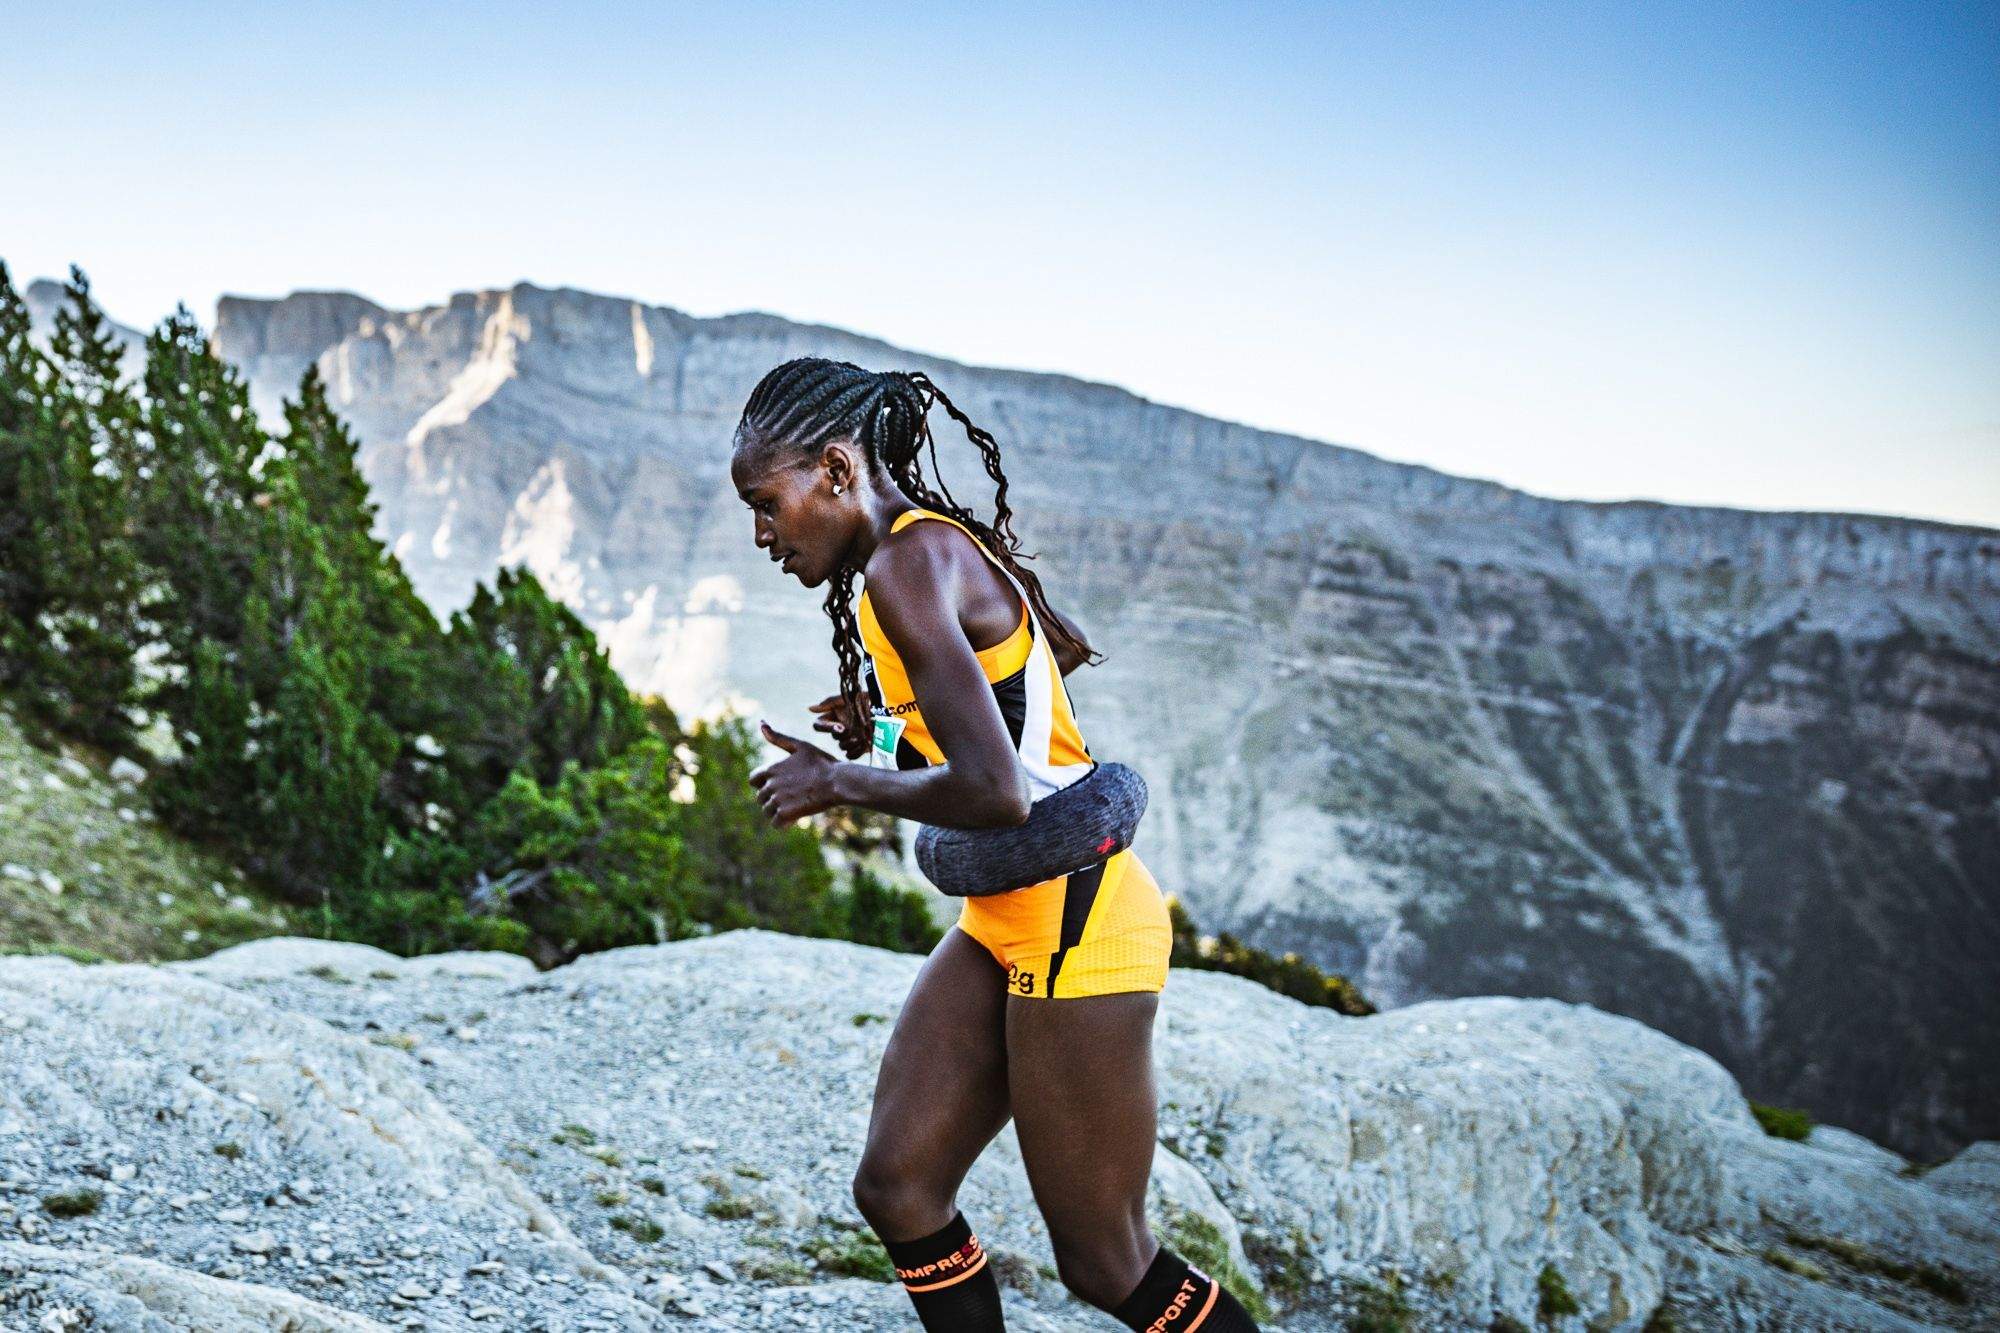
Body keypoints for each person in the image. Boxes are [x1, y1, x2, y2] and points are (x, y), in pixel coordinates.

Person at [732, 357, 1259, 1332]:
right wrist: (890, 727)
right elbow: (1019, 702)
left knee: (1107, 1262)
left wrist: (835, 780)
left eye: (768, 502)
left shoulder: (905, 562)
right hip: (1010, 919)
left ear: (838, 472)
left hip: (1079, 923)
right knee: (898, 1186)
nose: (761, 533)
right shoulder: (916, 554)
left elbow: (995, 793)